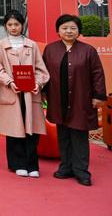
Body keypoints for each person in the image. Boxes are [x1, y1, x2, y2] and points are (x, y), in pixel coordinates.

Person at [43, 14, 106, 186]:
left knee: (79, 135)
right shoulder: (50, 50)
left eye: (73, 28)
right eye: (64, 28)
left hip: (81, 98)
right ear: (58, 31)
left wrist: (98, 96)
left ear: (79, 31)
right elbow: (43, 73)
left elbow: (98, 74)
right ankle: (66, 167)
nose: (69, 31)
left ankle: (81, 171)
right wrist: (42, 92)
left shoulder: (88, 50)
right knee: (63, 134)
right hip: (58, 98)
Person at [0, 10, 49, 178]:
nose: (13, 27)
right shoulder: (1, 45)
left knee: (32, 129)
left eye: (16, 24)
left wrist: (37, 83)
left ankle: (32, 165)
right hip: (11, 92)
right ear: (5, 26)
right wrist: (10, 82)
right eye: (9, 24)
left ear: (22, 25)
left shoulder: (32, 45)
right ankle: (17, 164)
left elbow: (41, 70)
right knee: (14, 129)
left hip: (31, 94)